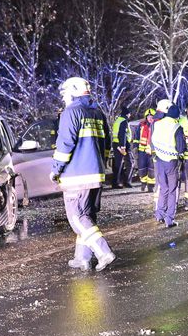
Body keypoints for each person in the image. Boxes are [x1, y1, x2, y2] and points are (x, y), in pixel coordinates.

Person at [51, 77, 116, 272]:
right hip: (95, 174)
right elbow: (107, 144)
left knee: (78, 218)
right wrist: (101, 165)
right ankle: (83, 258)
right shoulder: (97, 112)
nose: (64, 97)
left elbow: (65, 144)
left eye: (65, 93)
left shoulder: (71, 112)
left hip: (76, 175)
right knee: (87, 216)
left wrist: (55, 169)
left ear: (73, 91)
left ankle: (103, 252)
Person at [150, 99, 187, 228]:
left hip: (159, 160)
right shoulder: (177, 127)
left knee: (163, 188)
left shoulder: (157, 124)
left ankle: (159, 214)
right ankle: (169, 219)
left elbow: (153, 140)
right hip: (171, 162)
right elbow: (181, 148)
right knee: (173, 190)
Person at [110, 107, 132, 188]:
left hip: (116, 144)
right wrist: (122, 146)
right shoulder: (123, 121)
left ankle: (116, 182)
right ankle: (121, 182)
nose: (130, 115)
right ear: (127, 114)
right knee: (128, 163)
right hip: (121, 145)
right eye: (129, 113)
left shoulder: (118, 120)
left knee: (118, 164)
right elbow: (122, 134)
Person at [136, 108, 156, 192]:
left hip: (153, 151)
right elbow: (136, 137)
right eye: (148, 117)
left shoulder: (157, 125)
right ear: (146, 117)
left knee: (152, 168)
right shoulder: (141, 125)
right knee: (142, 168)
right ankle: (143, 183)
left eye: (152, 116)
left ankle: (150, 186)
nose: (150, 118)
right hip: (142, 150)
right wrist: (135, 147)